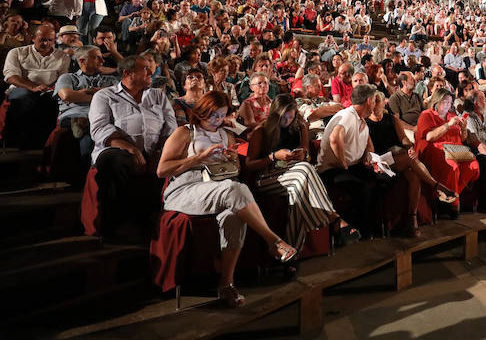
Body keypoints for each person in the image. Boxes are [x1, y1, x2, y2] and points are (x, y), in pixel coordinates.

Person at [157, 91, 297, 309]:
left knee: (234, 214)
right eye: (213, 115)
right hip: (185, 189)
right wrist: (199, 157)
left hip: (218, 187)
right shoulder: (185, 133)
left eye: (221, 116)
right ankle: (273, 241)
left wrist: (232, 161)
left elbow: (235, 172)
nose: (217, 120)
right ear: (202, 110)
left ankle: (226, 284)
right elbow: (162, 170)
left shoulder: (227, 136)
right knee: (233, 189)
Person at [89, 55, 177, 238]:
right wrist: (132, 149)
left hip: (155, 149)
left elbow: (170, 128)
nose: (151, 72)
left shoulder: (158, 96)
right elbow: (100, 129)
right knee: (117, 162)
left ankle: (152, 222)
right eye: (145, 68)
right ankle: (116, 226)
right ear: (128, 73)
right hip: (117, 148)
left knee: (170, 163)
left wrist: (160, 151)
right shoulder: (105, 96)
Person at [245, 95, 337, 249]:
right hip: (268, 177)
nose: (287, 121)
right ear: (275, 115)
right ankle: (331, 216)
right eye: (283, 118)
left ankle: (291, 256)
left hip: (295, 176)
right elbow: (249, 165)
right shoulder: (261, 131)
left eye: (290, 117)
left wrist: (304, 155)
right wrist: (273, 156)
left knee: (298, 190)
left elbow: (306, 156)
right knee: (304, 171)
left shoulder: (299, 127)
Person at [365, 91, 457, 234]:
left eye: (378, 101)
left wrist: (410, 148)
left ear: (384, 103)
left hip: (397, 156)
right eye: (373, 102)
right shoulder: (365, 122)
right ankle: (437, 186)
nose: (375, 105)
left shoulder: (392, 119)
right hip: (380, 160)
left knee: (414, 175)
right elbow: (370, 150)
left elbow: (404, 139)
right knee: (409, 158)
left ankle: (411, 220)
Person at [318, 84, 380, 238]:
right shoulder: (348, 115)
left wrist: (367, 157)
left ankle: (371, 226)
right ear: (368, 100)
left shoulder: (362, 120)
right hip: (332, 170)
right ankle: (361, 230)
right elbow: (334, 138)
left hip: (353, 166)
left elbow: (369, 145)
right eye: (374, 101)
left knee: (386, 178)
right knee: (365, 186)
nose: (375, 104)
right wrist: (343, 162)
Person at [415, 87, 480, 218]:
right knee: (453, 167)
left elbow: (462, 138)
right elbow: (429, 137)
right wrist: (448, 125)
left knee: (474, 166)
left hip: (455, 150)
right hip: (436, 150)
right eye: (445, 102)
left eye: (450, 103)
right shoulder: (427, 114)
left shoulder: (452, 116)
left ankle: (450, 195)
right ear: (437, 101)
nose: (448, 105)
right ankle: (454, 204)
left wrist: (463, 129)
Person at [3, 24, 70, 149]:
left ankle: (42, 143)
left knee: (52, 100)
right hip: (21, 88)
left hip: (49, 90)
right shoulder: (17, 52)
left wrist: (50, 89)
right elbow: (11, 76)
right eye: (42, 39)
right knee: (24, 97)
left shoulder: (63, 56)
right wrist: (33, 87)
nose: (46, 43)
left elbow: (63, 78)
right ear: (33, 37)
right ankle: (15, 140)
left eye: (50, 40)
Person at [54, 45, 118, 163]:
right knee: (90, 127)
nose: (102, 61)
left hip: (101, 115)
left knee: (91, 126)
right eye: (97, 58)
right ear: (82, 61)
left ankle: (82, 124)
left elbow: (118, 98)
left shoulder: (111, 80)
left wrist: (82, 94)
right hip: (77, 114)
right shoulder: (67, 77)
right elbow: (67, 96)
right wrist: (102, 94)